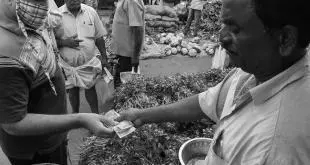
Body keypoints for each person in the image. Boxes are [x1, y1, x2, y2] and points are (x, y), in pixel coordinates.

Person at [116, 0, 310, 164]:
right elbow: (207, 101)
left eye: (235, 29)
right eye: (223, 25)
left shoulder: (274, 148)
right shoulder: (257, 71)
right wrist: (141, 115)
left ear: (285, 39)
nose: (221, 38)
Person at [0, 0, 116, 164]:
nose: (43, 7)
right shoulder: (5, 55)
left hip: (53, 139)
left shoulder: (29, 26)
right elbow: (13, 122)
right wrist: (79, 119)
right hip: (34, 152)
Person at [55, 0, 108, 114]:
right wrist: (65, 42)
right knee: (73, 89)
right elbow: (50, 40)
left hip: (88, 62)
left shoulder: (91, 12)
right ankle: (75, 115)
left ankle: (95, 115)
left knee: (90, 87)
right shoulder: (56, 15)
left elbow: (99, 37)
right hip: (68, 64)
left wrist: (104, 57)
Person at [111, 0, 145, 87]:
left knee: (125, 87)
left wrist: (135, 56)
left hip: (128, 54)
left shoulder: (132, 1)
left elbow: (137, 29)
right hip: (123, 52)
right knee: (121, 84)